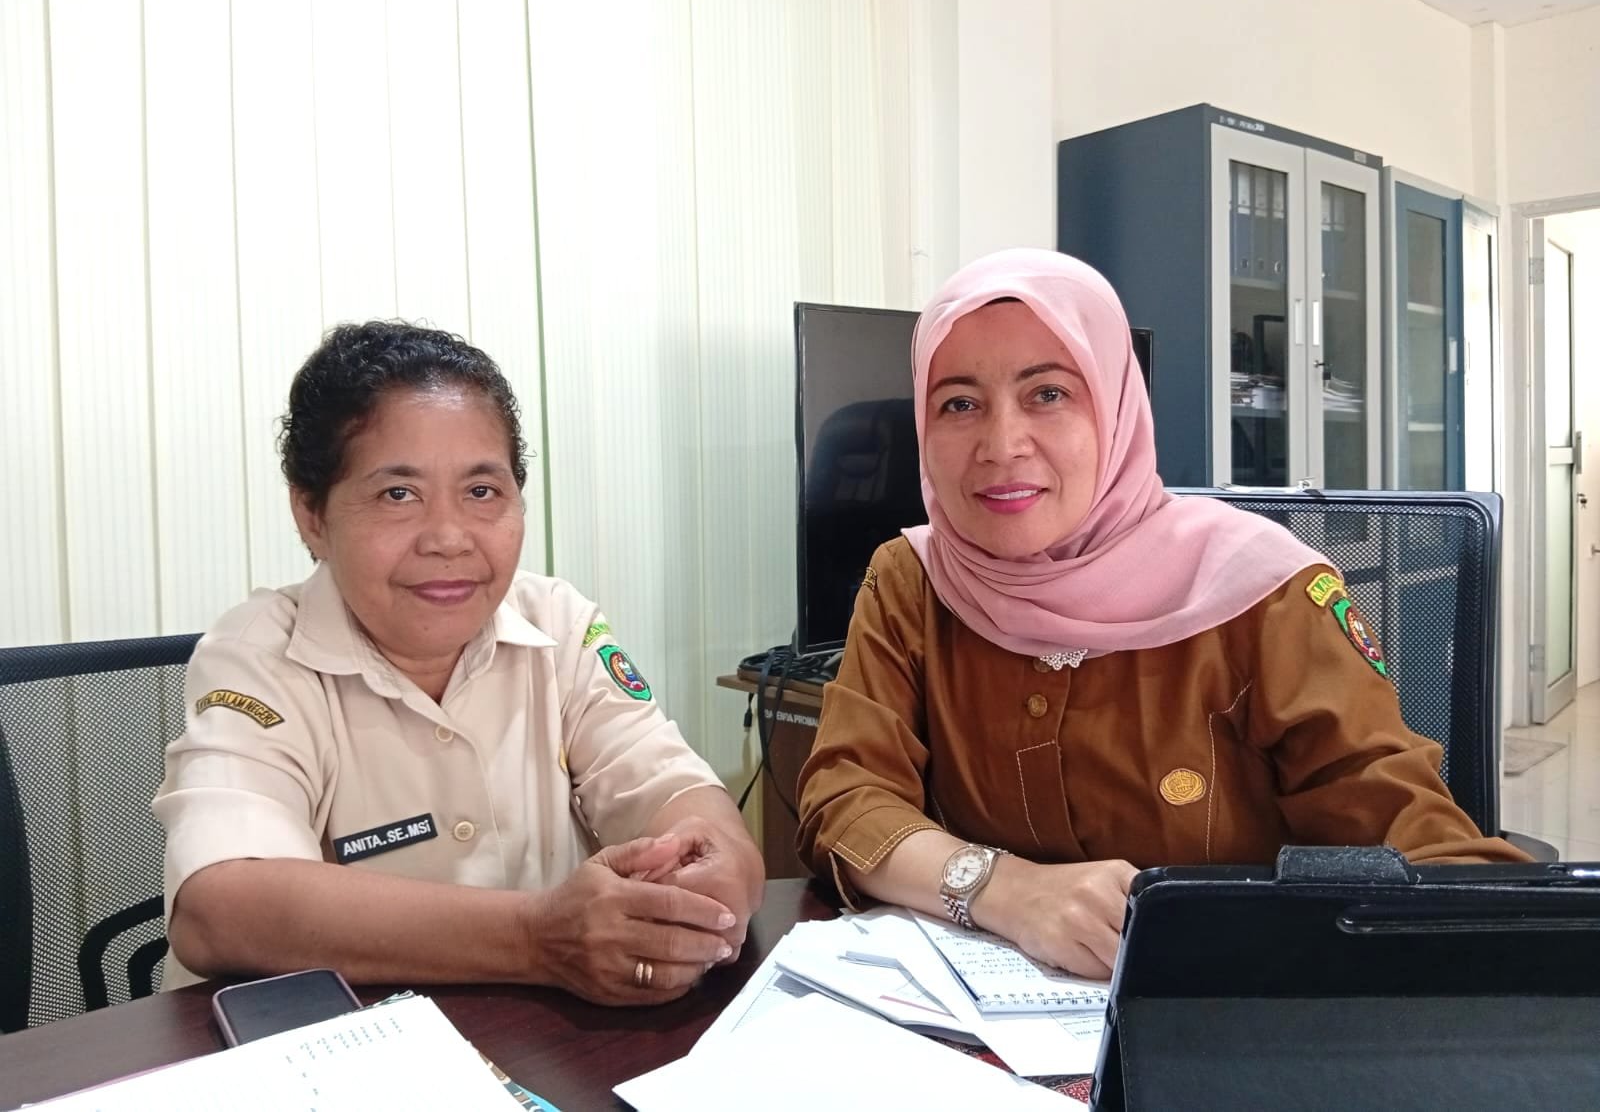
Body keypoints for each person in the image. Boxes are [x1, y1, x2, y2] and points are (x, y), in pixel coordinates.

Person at [796, 249, 1527, 983]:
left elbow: (1418, 852)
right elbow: (846, 800)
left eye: (1048, 393)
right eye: (959, 404)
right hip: (977, 1024)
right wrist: (1005, 890)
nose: (1001, 445)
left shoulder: (1266, 594)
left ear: (1116, 408)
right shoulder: (914, 580)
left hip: (1225, 1008)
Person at [156, 321, 764, 1006]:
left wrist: (716, 869)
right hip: (342, 1044)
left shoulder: (557, 623)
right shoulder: (257, 654)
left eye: (481, 492)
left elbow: (669, 787)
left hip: (541, 1043)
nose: (448, 538)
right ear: (312, 514)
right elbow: (219, 903)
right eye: (398, 494)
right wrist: (535, 938)